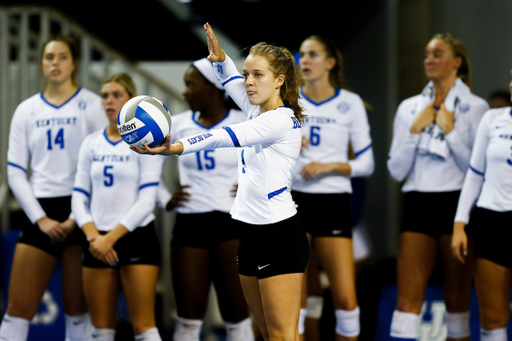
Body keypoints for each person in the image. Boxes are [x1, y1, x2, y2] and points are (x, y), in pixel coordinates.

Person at [132, 23, 310, 341]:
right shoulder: (256, 110)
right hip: (248, 234)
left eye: (258, 75)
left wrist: (176, 148)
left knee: (283, 336)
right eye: (247, 74)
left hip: (278, 234)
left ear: (280, 80)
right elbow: (230, 82)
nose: (249, 82)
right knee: (267, 334)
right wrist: (221, 60)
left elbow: (226, 135)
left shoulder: (281, 119)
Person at [0, 34, 106, 341]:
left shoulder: (92, 106)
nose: (55, 63)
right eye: (49, 57)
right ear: (41, 64)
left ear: (74, 63)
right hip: (40, 212)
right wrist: (40, 219)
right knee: (17, 309)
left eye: (62, 56)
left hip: (81, 210)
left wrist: (76, 217)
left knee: (77, 310)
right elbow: (16, 171)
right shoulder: (26, 110)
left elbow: (100, 163)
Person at [387, 33, 489, 341]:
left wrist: (451, 131)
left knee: (457, 302)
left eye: (438, 54)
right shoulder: (409, 107)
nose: (429, 60)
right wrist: (415, 131)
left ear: (456, 62)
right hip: (418, 203)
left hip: (458, 205)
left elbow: (477, 169)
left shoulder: (477, 106)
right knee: (406, 301)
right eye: (427, 54)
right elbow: (396, 170)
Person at [157, 58, 253, 341]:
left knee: (237, 315)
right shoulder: (178, 124)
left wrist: (252, 188)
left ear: (213, 87)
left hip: (232, 224)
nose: (184, 92)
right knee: (188, 318)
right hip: (190, 224)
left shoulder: (244, 122)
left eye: (190, 85)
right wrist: (166, 199)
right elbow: (147, 169)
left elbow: (274, 163)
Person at [290, 35, 374, 341]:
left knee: (347, 302)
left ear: (330, 62)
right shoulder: (288, 100)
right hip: (294, 201)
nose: (305, 60)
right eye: (301, 54)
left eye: (313, 54)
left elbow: (367, 163)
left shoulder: (349, 103)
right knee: (293, 304)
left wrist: (330, 166)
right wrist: (285, 140)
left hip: (334, 202)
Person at [71, 73, 164, 341]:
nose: (109, 101)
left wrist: (108, 240)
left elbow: (147, 201)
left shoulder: (147, 142)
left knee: (144, 327)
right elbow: (78, 195)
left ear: (131, 101)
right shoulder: (91, 142)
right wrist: (93, 237)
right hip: (96, 239)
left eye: (116, 95)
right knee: (100, 329)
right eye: (104, 95)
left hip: (136, 238)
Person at [451, 73, 512, 341]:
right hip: (491, 222)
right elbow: (475, 173)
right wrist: (459, 224)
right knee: (492, 319)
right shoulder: (492, 118)